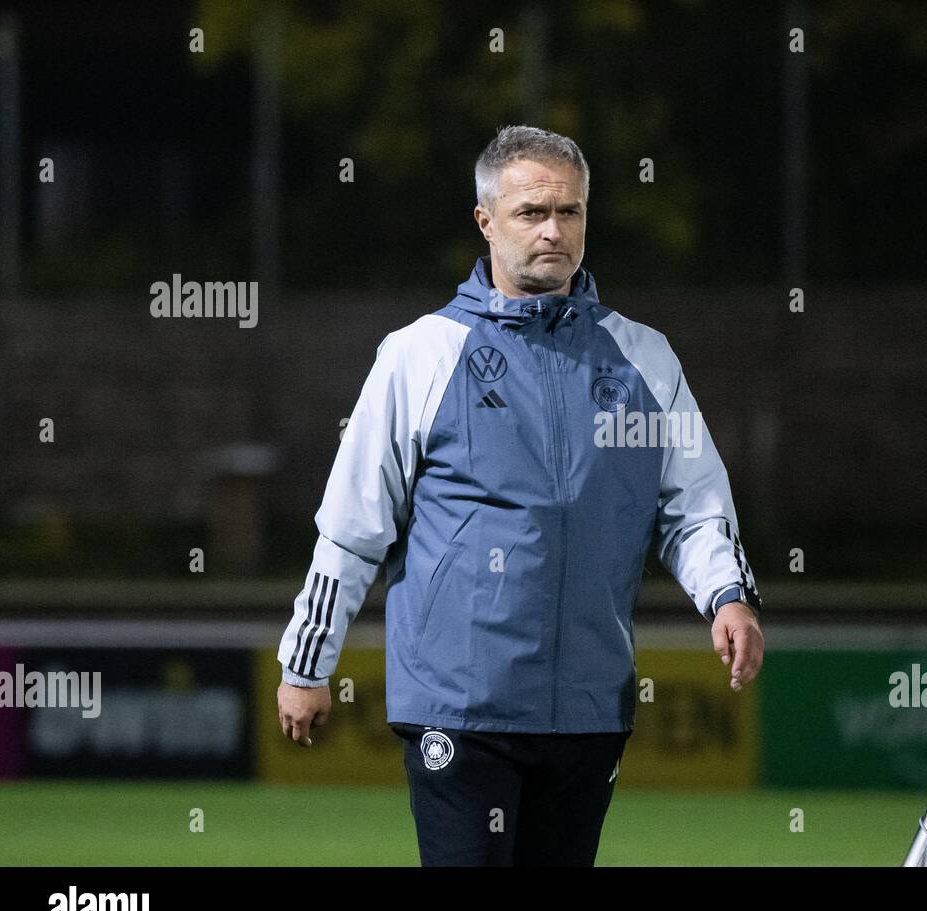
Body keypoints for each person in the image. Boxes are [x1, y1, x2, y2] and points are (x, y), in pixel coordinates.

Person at [275, 125, 764, 866]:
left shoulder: (642, 357)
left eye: (570, 213)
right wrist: (307, 665)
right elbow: (351, 528)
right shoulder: (420, 356)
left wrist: (727, 595)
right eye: (532, 212)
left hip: (590, 707)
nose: (553, 231)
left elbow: (693, 505)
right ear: (485, 221)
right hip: (460, 706)